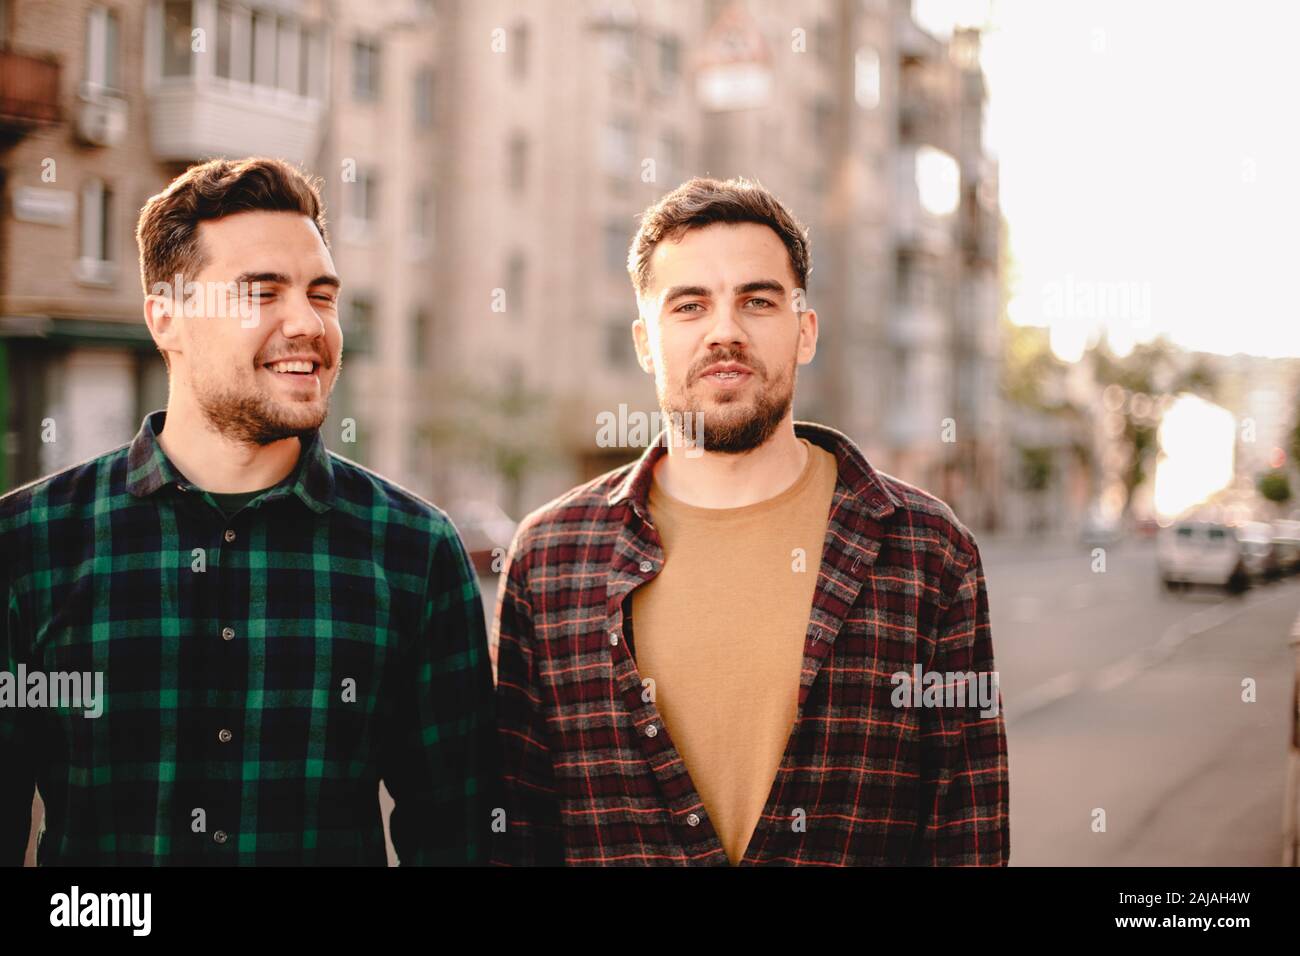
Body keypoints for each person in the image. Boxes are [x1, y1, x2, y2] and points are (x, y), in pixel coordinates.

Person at [492, 177, 1008, 865]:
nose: (724, 331)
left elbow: (967, 833)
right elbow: (518, 835)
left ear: (805, 332)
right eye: (690, 306)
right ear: (646, 344)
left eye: (757, 301)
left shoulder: (927, 550)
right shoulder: (550, 558)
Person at [0, 157, 495, 865]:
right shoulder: (28, 545)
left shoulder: (413, 550)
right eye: (261, 292)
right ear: (166, 319)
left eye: (321, 295)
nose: (308, 323)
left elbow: (456, 839)